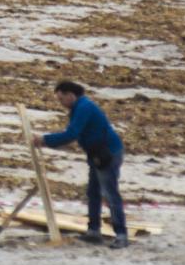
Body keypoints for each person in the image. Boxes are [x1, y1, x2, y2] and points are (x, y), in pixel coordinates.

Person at [34, 80, 127, 247]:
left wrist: (45, 140)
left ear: (71, 95)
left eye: (61, 99)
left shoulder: (84, 107)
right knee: (93, 193)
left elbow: (72, 134)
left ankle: (121, 235)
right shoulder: (79, 107)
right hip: (96, 154)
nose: (61, 103)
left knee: (110, 194)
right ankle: (93, 231)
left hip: (108, 153)